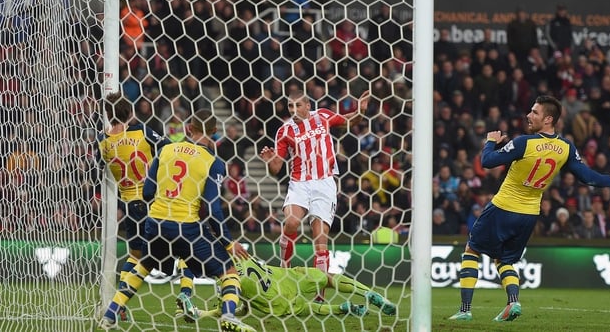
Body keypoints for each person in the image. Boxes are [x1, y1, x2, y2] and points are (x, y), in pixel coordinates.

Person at [448, 95, 610, 322]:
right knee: (504, 261)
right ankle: (513, 302)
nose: (528, 115)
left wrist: (491, 141)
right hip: (529, 215)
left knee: (471, 250)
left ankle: (465, 310)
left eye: (535, 112)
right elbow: (588, 178)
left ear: (548, 119)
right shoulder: (565, 148)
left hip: (502, 207)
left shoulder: (524, 142)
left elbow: (487, 161)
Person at [100, 109, 254, 332]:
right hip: (186, 227)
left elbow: (148, 192)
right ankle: (229, 315)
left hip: (155, 222)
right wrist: (229, 244)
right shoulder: (214, 161)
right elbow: (212, 209)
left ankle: (110, 315)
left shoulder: (165, 150)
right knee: (228, 272)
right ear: (214, 132)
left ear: (188, 129)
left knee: (143, 266)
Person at [260, 87, 370, 301]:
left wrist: (361, 111)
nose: (293, 110)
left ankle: (319, 295)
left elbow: (348, 121)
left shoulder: (323, 116)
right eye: (290, 106)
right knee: (291, 222)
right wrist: (269, 160)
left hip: (325, 183)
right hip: (299, 183)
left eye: (297, 105)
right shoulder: (285, 131)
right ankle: (285, 270)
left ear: (308, 106)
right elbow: (276, 168)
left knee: (320, 239)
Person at [97, 93, 195, 323]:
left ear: (108, 115)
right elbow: (169, 149)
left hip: (131, 205)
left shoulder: (103, 141)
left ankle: (118, 306)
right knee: (185, 246)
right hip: (155, 200)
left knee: (136, 256)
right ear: (129, 112)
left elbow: (98, 168)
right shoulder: (142, 131)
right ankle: (186, 293)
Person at [190, 257, 397, 319]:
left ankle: (341, 309)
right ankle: (368, 293)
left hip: (276, 299)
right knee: (327, 278)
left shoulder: (226, 280)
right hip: (284, 276)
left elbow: (225, 310)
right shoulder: (237, 255)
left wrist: (201, 313)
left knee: (308, 309)